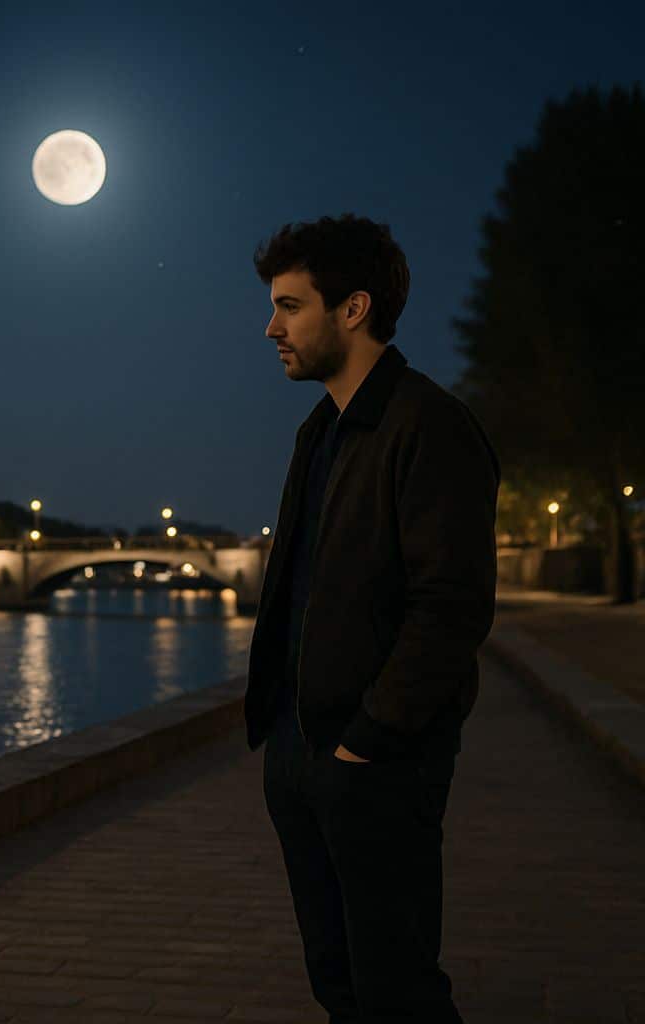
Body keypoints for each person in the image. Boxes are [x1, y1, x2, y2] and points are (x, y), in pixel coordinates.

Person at [245, 215, 499, 1023]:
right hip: (300, 752)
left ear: (352, 310)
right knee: (339, 981)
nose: (271, 328)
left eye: (290, 307)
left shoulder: (430, 426)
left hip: (375, 761)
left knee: (398, 991)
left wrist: (367, 739)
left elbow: (451, 609)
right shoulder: (318, 432)